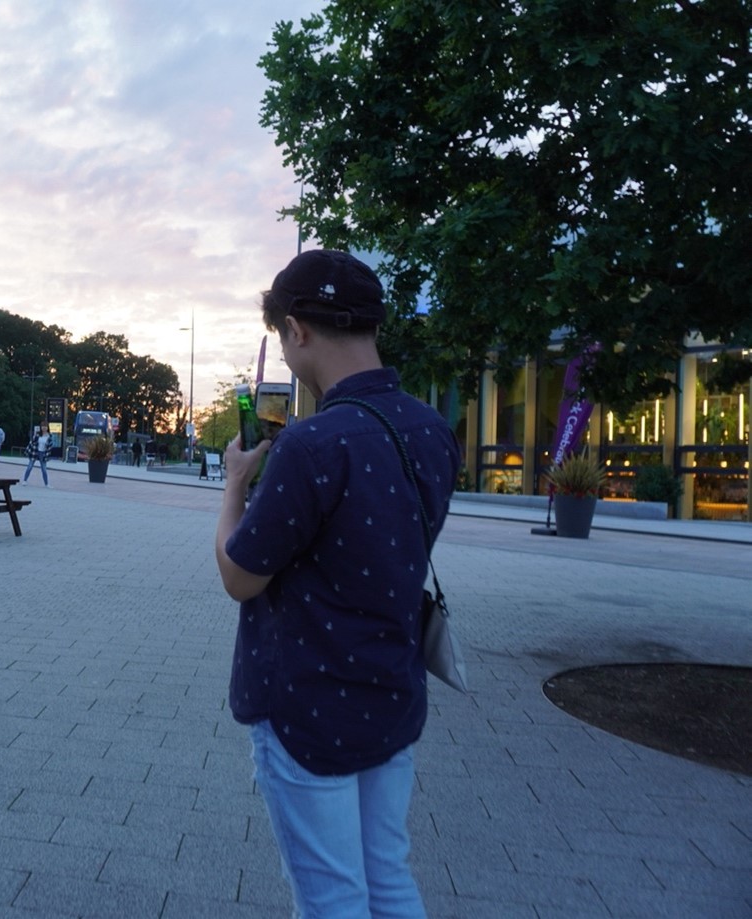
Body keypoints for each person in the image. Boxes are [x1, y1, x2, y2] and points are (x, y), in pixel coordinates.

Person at [215, 249, 459, 918]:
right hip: (391, 692)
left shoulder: (311, 444)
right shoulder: (433, 431)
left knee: (331, 898)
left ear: (295, 330)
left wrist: (235, 485)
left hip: (306, 704)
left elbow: (239, 575)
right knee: (385, 878)